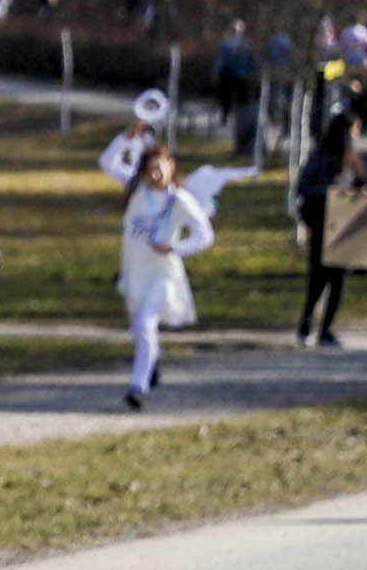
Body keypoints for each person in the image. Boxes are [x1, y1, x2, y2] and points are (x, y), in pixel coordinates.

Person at [103, 137, 213, 408]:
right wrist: (128, 138)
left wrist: (176, 247)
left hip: (162, 274)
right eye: (151, 169)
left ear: (171, 166)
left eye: (161, 167)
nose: (156, 173)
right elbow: (107, 162)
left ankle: (137, 387)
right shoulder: (136, 189)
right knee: (138, 329)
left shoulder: (180, 199)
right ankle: (151, 363)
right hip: (134, 271)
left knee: (145, 324)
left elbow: (205, 235)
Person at [297, 107, 367, 346]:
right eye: (355, 130)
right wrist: (332, 193)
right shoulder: (320, 157)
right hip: (323, 223)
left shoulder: (350, 160)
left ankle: (326, 329)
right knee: (319, 277)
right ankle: (306, 324)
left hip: (345, 225)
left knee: (338, 279)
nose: (358, 134)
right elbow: (304, 187)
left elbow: (361, 183)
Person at [213, 21, 259, 157]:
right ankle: (225, 114)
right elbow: (221, 62)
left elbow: (252, 62)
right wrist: (216, 72)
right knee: (227, 98)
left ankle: (242, 138)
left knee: (244, 107)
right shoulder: (227, 45)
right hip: (230, 78)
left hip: (243, 80)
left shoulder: (246, 45)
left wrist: (254, 74)